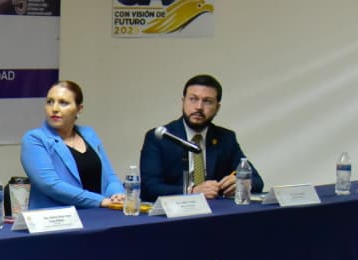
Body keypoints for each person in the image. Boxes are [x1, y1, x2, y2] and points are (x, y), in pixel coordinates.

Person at [140, 73, 263, 202]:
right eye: (193, 99)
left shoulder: (226, 138)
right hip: (173, 211)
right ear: (183, 102)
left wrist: (242, 183)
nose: (199, 107)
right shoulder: (161, 137)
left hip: (216, 211)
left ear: (217, 108)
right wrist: (192, 191)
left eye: (207, 101)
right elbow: (150, 188)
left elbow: (258, 181)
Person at [20, 80, 126, 210]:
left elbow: (109, 176)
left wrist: (117, 195)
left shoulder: (89, 134)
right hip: (58, 218)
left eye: (63, 103)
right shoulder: (35, 139)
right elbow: (50, 185)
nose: (54, 109)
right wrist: (101, 201)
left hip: (98, 214)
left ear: (79, 109)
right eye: (50, 102)